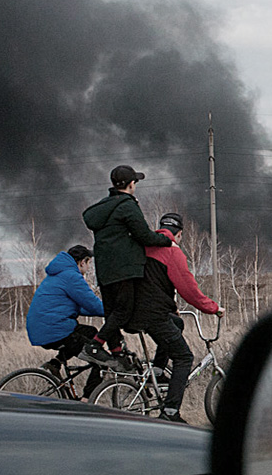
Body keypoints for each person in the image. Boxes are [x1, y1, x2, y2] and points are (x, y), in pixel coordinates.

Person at [129, 212, 223, 422]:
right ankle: (170, 412)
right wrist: (213, 308)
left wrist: (170, 307)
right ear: (179, 234)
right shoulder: (172, 252)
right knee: (184, 357)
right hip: (154, 315)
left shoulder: (145, 245)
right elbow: (189, 291)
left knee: (177, 323)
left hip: (136, 312)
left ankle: (159, 369)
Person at [81, 165, 172, 368]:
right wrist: (167, 241)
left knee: (111, 311)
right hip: (124, 269)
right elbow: (144, 235)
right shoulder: (127, 205)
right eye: (135, 182)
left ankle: (116, 352)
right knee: (123, 311)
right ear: (131, 184)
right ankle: (94, 347)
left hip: (104, 270)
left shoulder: (103, 207)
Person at [25, 244, 106, 397]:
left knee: (91, 333)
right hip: (56, 330)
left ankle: (55, 363)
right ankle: (87, 400)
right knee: (102, 360)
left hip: (43, 329)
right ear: (83, 262)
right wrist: (116, 312)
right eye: (89, 263)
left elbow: (78, 307)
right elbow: (93, 305)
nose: (89, 268)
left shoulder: (57, 274)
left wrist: (102, 311)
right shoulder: (72, 276)